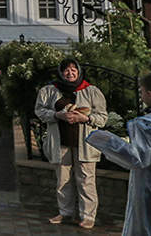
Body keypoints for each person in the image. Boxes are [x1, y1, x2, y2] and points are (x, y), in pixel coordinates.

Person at [35, 57, 108, 229]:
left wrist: (86, 118)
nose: (70, 73)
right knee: (63, 179)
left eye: (73, 69)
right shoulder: (49, 91)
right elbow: (39, 110)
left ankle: (88, 216)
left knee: (86, 180)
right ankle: (65, 212)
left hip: (86, 145)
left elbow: (103, 117)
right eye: (66, 70)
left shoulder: (91, 91)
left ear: (79, 71)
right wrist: (57, 115)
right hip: (61, 142)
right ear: (61, 72)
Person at [87, 71, 151, 236]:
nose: (141, 95)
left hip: (148, 186)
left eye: (142, 91)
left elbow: (138, 158)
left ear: (150, 94)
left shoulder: (145, 124)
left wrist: (105, 140)